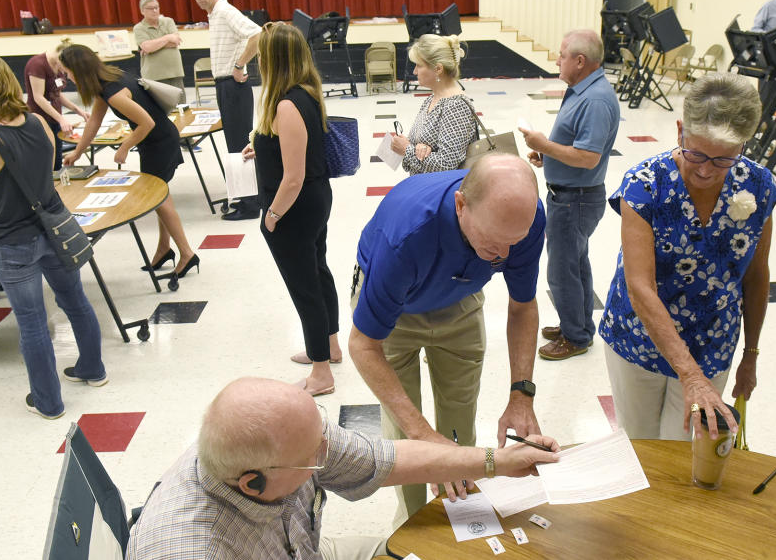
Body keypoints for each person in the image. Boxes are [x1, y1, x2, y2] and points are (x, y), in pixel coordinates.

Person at [126, 377, 560, 560]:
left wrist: (498, 461)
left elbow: (386, 459)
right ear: (253, 482)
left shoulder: (282, 437)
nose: (326, 453)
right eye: (315, 455)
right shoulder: (191, 549)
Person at [349, 153, 546, 524]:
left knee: (459, 423)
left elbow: (523, 306)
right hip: (396, 309)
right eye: (493, 242)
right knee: (408, 436)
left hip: (460, 297)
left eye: (513, 243)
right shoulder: (406, 235)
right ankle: (413, 524)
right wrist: (424, 436)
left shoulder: (524, 219)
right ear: (461, 205)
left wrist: (521, 394)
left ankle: (461, 523)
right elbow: (362, 345)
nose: (503, 256)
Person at [598, 73, 776, 441]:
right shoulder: (645, 183)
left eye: (724, 159)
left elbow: (756, 277)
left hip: (711, 341)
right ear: (680, 130)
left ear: (744, 145)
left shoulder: (758, 186)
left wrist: (751, 354)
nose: (706, 170)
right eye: (696, 153)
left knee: (685, 452)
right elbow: (640, 287)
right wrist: (689, 375)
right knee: (642, 446)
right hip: (639, 337)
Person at [0, 54, 106, 419]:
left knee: (33, 322)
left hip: (13, 240)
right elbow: (48, 161)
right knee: (76, 301)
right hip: (53, 228)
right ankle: (92, 369)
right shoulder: (39, 122)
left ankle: (48, 402)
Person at [241, 23, 341, 396]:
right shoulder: (306, 93)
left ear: (272, 60)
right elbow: (294, 147)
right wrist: (262, 147)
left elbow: (293, 177)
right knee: (318, 271)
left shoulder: (285, 104)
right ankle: (329, 347)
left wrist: (273, 216)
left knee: (305, 288)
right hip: (315, 200)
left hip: (295, 208)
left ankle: (321, 373)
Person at [520, 29, 619, 361]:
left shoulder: (595, 100)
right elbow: (577, 145)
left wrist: (543, 145)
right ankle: (576, 324)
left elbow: (589, 157)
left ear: (580, 61)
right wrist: (549, 156)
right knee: (575, 265)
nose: (557, 60)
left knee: (562, 271)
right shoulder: (581, 90)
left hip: (576, 198)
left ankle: (575, 337)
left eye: (561, 55)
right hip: (571, 194)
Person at [59, 45, 198, 280]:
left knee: (160, 200)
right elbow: (94, 121)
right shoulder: (107, 80)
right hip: (155, 142)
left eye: (67, 71)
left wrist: (124, 147)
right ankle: (164, 249)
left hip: (159, 143)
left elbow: (147, 123)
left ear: (78, 70)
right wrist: (78, 152)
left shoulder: (113, 91)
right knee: (161, 197)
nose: (67, 76)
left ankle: (187, 253)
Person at [189, 0, 262, 220]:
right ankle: (249, 198)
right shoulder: (215, 14)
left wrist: (240, 65)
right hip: (225, 85)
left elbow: (257, 34)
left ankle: (251, 206)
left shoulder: (224, 10)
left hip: (232, 85)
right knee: (236, 144)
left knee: (239, 145)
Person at [390, 34, 477, 174]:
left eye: (419, 65)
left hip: (440, 192)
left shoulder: (456, 106)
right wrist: (418, 148)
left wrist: (407, 150)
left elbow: (447, 164)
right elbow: (421, 146)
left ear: (438, 69)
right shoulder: (432, 99)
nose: (414, 71)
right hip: (425, 186)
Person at [23, 37, 91, 170]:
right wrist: (61, 119)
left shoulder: (58, 65)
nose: (65, 70)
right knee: (46, 158)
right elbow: (38, 97)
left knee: (57, 158)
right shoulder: (37, 64)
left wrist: (78, 110)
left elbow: (56, 94)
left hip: (54, 117)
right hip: (40, 118)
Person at [133, 0, 186, 104]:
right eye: (151, 8)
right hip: (154, 76)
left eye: (157, 7)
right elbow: (147, 47)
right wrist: (167, 38)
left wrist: (153, 45)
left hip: (175, 72)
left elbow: (175, 41)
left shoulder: (168, 21)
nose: (155, 10)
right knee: (160, 109)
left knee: (181, 106)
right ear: (142, 11)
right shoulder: (139, 28)